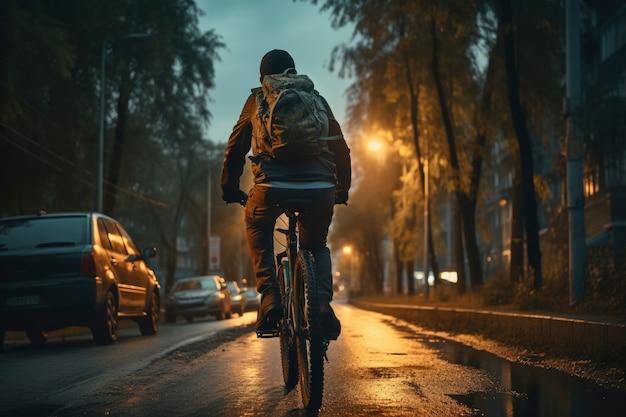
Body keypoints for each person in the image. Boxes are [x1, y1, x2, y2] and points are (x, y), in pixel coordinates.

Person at [221, 49, 351, 340]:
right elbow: (341, 148)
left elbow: (235, 148)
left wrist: (229, 189)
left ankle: (270, 300)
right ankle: (321, 307)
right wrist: (342, 190)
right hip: (319, 188)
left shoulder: (256, 100)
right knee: (316, 246)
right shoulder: (315, 99)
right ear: (294, 71)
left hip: (270, 188)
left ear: (263, 77)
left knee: (257, 225)